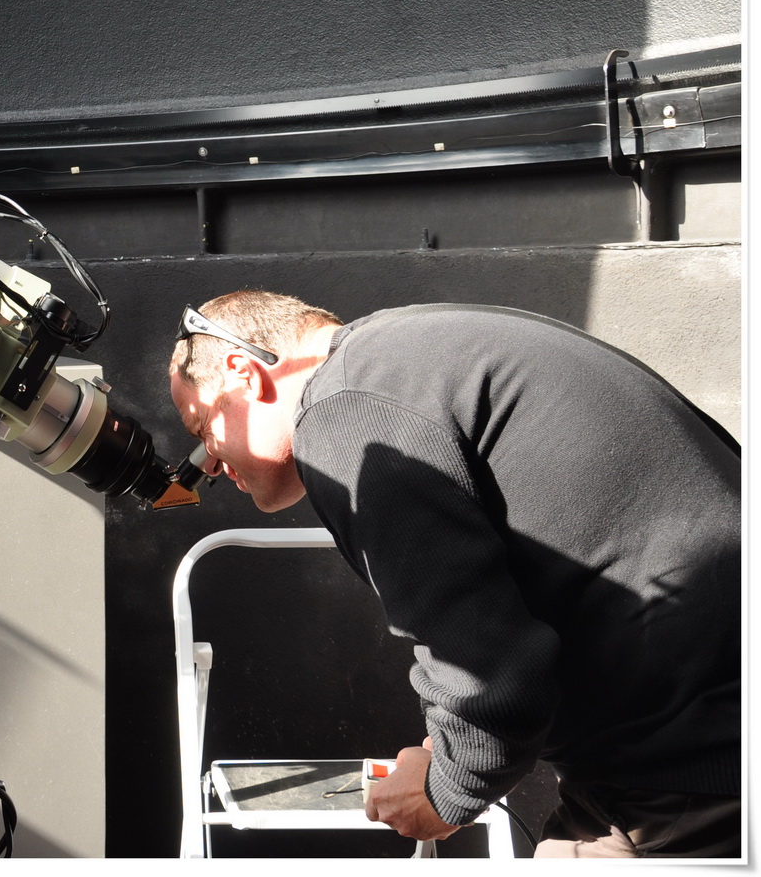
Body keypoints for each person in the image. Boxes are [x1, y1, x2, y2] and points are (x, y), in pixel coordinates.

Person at [167, 290, 740, 858]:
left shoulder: (347, 408)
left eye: (201, 430)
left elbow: (486, 665)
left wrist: (446, 786)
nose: (209, 466)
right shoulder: (409, 352)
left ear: (244, 374)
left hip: (687, 762)